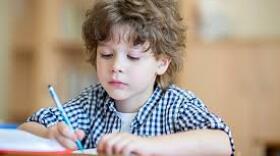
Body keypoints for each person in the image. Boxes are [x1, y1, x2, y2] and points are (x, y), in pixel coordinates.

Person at [19, 0, 234, 155]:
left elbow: (222, 142)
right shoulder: (90, 104)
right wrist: (50, 135)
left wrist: (149, 146)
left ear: (162, 62)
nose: (117, 66)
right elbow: (25, 131)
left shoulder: (176, 104)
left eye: (133, 56)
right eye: (106, 54)